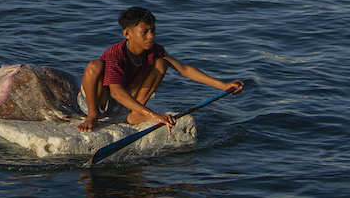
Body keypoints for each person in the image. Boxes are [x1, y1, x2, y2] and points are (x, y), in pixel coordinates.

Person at [76, 7, 244, 132]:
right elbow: (116, 92)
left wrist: (223, 85)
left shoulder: (155, 50)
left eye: (153, 30)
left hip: (125, 103)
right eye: (145, 32)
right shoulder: (115, 54)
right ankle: (92, 116)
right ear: (127, 33)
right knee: (95, 65)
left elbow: (184, 69)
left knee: (161, 63)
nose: (151, 36)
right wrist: (153, 115)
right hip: (100, 102)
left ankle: (136, 113)